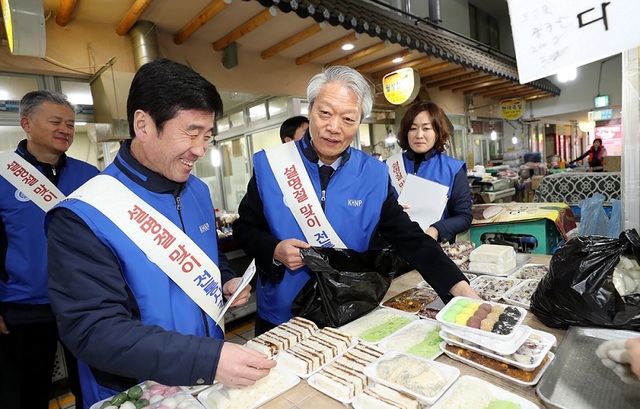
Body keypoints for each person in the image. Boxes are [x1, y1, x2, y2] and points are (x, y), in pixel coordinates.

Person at [45, 59, 276, 408]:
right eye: (191, 132)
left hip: (205, 379)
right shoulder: (84, 214)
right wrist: (206, 359)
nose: (200, 149)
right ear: (144, 125)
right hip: (136, 389)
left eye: (208, 136)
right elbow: (93, 330)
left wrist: (225, 279)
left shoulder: (197, 191)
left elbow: (208, 257)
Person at [233, 66, 480, 335]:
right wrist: (274, 249)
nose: (334, 128)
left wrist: (459, 287)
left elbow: (410, 238)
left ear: (359, 122)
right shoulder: (273, 166)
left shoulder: (373, 174)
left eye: (348, 119)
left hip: (348, 313)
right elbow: (244, 230)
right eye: (325, 113)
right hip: (281, 316)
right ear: (310, 110)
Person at [0, 90, 98, 409]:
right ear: (26, 123)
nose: (65, 130)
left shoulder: (89, 176)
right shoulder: (3, 175)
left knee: (95, 383)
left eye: (70, 124)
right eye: (55, 121)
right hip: (23, 306)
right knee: (25, 393)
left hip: (82, 301)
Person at [388, 101, 473, 243]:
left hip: (436, 248)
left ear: (437, 132)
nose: (419, 135)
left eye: (426, 128)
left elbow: (464, 216)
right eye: (413, 128)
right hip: (395, 248)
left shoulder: (454, 169)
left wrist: (437, 229)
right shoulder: (388, 166)